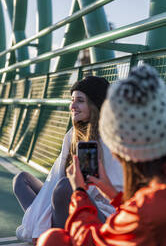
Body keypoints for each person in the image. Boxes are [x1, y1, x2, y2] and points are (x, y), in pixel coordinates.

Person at [37, 64, 166, 246]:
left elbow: (90, 240)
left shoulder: (147, 210)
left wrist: (79, 192)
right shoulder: (151, 200)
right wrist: (114, 194)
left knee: (53, 238)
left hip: (100, 218)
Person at [13, 76, 123, 245]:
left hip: (103, 214)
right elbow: (53, 181)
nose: (72, 106)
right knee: (22, 180)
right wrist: (37, 224)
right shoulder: (72, 135)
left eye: (80, 101)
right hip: (73, 201)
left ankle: (57, 236)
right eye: (72, 100)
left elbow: (88, 190)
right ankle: (47, 230)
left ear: (95, 104)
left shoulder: (108, 138)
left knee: (64, 187)